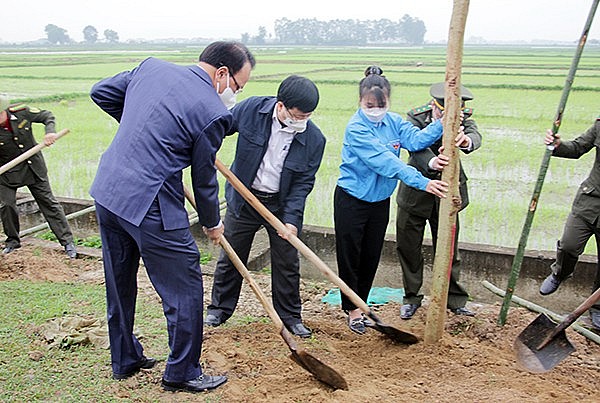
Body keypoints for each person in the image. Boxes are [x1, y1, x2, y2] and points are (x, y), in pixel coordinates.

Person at [89, 41, 255, 393]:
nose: (235, 94)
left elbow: (100, 91)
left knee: (119, 281)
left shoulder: (152, 67)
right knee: (185, 287)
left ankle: (124, 359)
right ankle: (182, 372)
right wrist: (212, 223)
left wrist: (144, 129)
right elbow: (204, 178)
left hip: (108, 191)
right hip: (149, 202)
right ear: (222, 73)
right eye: (238, 86)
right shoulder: (214, 112)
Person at [205, 75, 325, 339]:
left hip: (280, 207)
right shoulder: (252, 110)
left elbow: (303, 183)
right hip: (244, 198)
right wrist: (204, 146)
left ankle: (291, 317)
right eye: (297, 115)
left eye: (307, 116)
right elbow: (220, 126)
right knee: (232, 254)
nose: (301, 121)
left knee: (287, 262)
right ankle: (219, 309)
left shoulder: (314, 139)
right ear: (280, 106)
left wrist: (291, 220)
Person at [334, 66, 450, 335]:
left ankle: (362, 304)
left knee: (371, 255)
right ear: (361, 102)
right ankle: (352, 310)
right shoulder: (356, 129)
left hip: (379, 201)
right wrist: (425, 182)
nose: (375, 109)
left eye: (381, 104)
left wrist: (441, 123)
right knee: (351, 257)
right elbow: (387, 163)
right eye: (369, 104)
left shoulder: (394, 122)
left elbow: (416, 140)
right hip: (352, 200)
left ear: (388, 102)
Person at [396, 82, 482, 320]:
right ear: (435, 107)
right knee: (408, 246)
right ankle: (411, 297)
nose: (448, 117)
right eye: (443, 113)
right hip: (416, 192)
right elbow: (412, 145)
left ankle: (454, 299)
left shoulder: (464, 118)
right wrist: (432, 162)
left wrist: (466, 141)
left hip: (448, 193)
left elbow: (475, 135)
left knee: (449, 248)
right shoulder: (416, 116)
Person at [539, 119, 600, 330]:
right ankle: (560, 273)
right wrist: (557, 145)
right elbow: (577, 148)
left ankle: (597, 308)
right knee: (568, 245)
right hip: (589, 201)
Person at [0, 93, 77, 258]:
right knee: (7, 205)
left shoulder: (22, 112)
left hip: (33, 167)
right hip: (6, 173)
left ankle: (67, 243)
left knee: (49, 203)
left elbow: (47, 116)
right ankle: (13, 242)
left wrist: (50, 132)